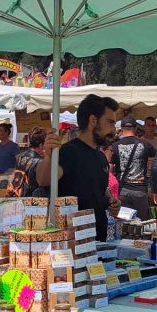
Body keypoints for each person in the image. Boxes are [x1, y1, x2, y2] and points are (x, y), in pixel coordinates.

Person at [37, 94, 122, 241]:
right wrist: (49, 156)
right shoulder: (68, 152)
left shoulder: (100, 157)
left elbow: (99, 188)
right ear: (93, 121)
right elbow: (43, 179)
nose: (114, 130)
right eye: (110, 123)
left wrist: (112, 201)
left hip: (97, 241)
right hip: (73, 243)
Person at [112, 115, 156, 220]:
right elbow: (156, 159)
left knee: (123, 224)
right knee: (142, 225)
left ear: (121, 129)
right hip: (140, 191)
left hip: (122, 190)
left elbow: (110, 168)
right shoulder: (145, 144)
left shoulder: (114, 146)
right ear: (136, 128)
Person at [15, 128, 47, 197]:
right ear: (41, 145)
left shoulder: (20, 156)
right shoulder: (39, 161)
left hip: (19, 193)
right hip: (33, 197)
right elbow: (41, 182)